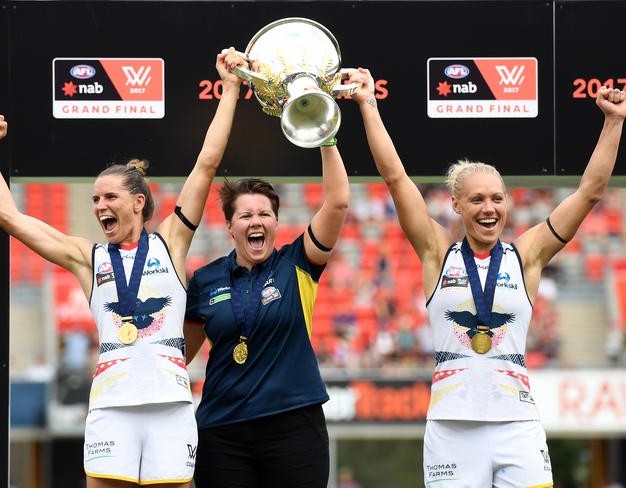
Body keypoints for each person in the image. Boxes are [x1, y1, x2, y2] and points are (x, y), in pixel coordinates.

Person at [0, 48, 246, 487]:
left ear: (138, 203)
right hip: (111, 405)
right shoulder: (89, 257)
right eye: (95, 200)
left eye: (109, 197)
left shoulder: (172, 242)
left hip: (170, 404)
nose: (100, 205)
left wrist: (230, 87)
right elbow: (8, 216)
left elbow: (207, 163)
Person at [349, 67, 626, 487]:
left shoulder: (527, 255)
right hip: (451, 428)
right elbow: (395, 177)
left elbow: (589, 191)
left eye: (497, 198)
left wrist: (613, 122)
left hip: (518, 423)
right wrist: (368, 104)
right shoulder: (436, 251)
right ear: (456, 205)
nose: (488, 208)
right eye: (476, 199)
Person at [183, 141, 350, 484]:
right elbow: (180, 354)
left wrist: (327, 140)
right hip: (222, 431)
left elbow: (337, 203)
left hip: (294, 428)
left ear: (275, 221)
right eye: (245, 215)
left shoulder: (298, 263)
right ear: (230, 226)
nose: (255, 221)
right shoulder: (205, 279)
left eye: (264, 214)